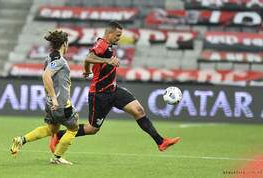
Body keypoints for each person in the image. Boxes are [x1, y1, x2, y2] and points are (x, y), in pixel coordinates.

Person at [50, 21, 180, 153]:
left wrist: (87, 70)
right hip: (100, 94)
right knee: (92, 129)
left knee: (138, 111)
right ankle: (58, 136)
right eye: (117, 35)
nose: (119, 38)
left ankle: (161, 142)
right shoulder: (102, 44)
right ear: (109, 33)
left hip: (113, 90)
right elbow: (88, 57)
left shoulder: (109, 46)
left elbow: (88, 61)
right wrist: (106, 61)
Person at [10, 30, 79, 165]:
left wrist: (50, 98)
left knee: (52, 130)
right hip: (59, 104)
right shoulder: (59, 60)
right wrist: (54, 98)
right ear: (64, 44)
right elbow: (46, 76)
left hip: (49, 104)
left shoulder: (48, 58)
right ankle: (57, 157)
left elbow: (48, 79)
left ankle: (21, 140)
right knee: (73, 128)